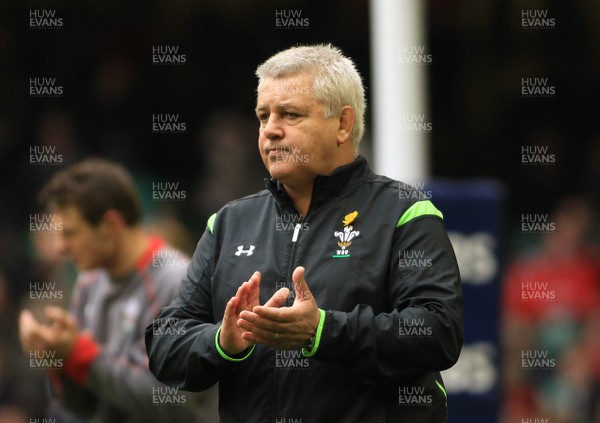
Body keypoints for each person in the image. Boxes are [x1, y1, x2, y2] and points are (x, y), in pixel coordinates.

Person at [146, 44, 463, 422]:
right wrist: (222, 342)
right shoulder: (229, 223)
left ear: (343, 124)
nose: (270, 130)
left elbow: (438, 332)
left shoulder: (404, 212)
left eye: (290, 115)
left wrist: (323, 330)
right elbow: (165, 343)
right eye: (263, 116)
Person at [19, 158, 218, 422]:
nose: (60, 248)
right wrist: (56, 359)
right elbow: (87, 407)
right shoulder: (88, 282)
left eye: (70, 233)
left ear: (111, 225)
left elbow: (181, 403)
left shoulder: (178, 282)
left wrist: (82, 356)